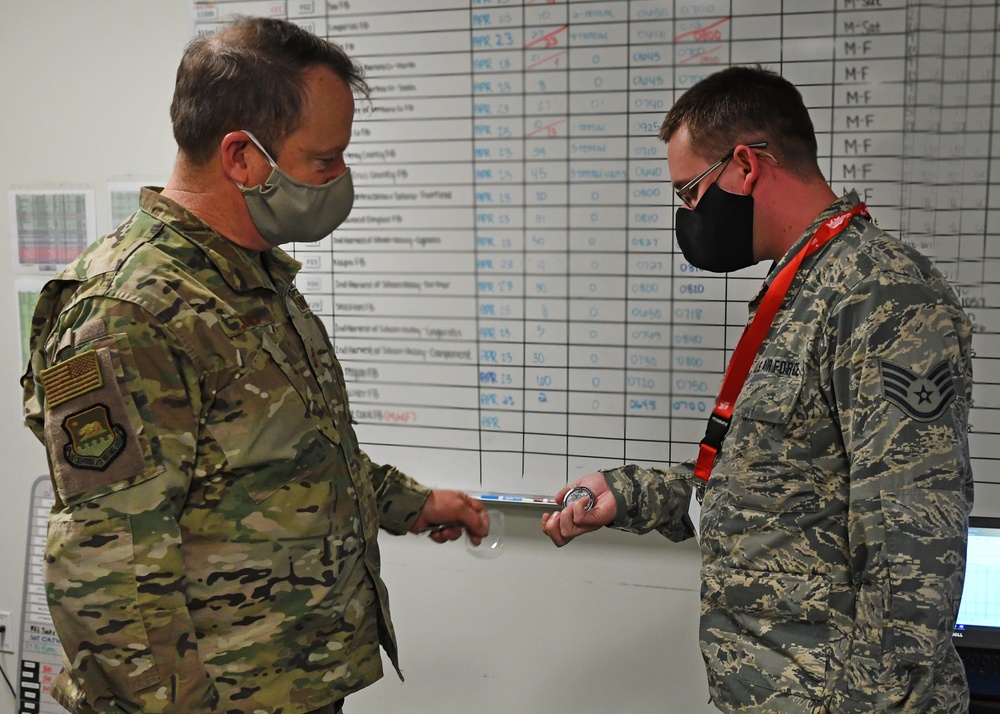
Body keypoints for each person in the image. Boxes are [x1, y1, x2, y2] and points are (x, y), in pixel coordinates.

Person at [21, 17, 488, 714]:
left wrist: (412, 504)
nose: (340, 179)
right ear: (242, 157)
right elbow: (107, 565)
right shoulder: (130, 311)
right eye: (324, 161)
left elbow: (290, 455)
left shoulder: (248, 278)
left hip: (288, 684)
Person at [542, 65, 974, 713]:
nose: (688, 215)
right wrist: (626, 493)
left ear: (745, 166)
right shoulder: (805, 286)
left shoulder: (882, 294)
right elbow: (776, 490)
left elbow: (914, 551)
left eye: (689, 192)